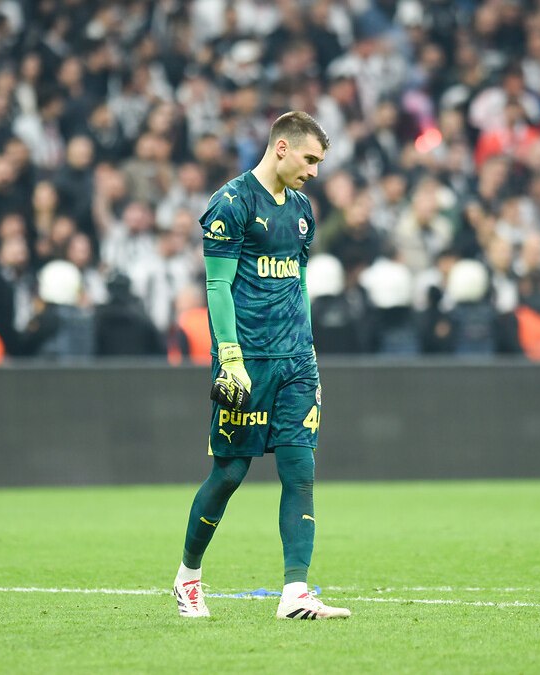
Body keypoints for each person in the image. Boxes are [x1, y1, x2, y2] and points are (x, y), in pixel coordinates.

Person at [172, 111, 349, 621]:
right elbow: (216, 286)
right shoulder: (231, 203)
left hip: (296, 361)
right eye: (310, 159)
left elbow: (298, 281)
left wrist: (308, 347)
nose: (314, 171)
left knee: (300, 471)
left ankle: (295, 592)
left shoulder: (302, 210)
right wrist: (229, 357)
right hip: (247, 362)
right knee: (230, 472)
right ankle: (187, 577)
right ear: (281, 148)